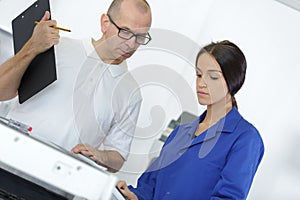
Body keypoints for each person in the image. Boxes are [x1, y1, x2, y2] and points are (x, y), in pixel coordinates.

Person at [0, 0, 152, 172]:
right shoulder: (57, 48)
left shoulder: (130, 93)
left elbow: (118, 157)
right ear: (105, 23)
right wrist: (31, 48)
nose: (131, 45)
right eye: (125, 32)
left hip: (57, 184)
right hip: (7, 160)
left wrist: (101, 156)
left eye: (140, 37)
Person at [117, 40, 264, 199]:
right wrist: (133, 195)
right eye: (199, 75)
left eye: (213, 77)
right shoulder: (180, 132)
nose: (201, 83)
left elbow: (228, 197)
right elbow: (149, 186)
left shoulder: (245, 139)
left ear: (233, 80)